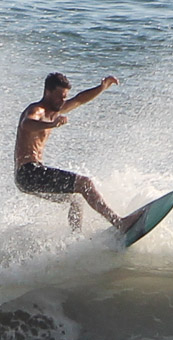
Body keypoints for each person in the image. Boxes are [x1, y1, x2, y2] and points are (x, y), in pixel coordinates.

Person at [14, 72, 130, 231]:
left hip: (30, 177)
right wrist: (51, 125)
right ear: (47, 92)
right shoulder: (37, 110)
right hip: (28, 173)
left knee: (76, 199)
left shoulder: (55, 110)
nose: (62, 101)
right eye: (59, 96)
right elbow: (27, 124)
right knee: (84, 183)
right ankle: (119, 223)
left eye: (64, 97)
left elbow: (79, 99)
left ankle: (75, 238)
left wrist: (101, 88)